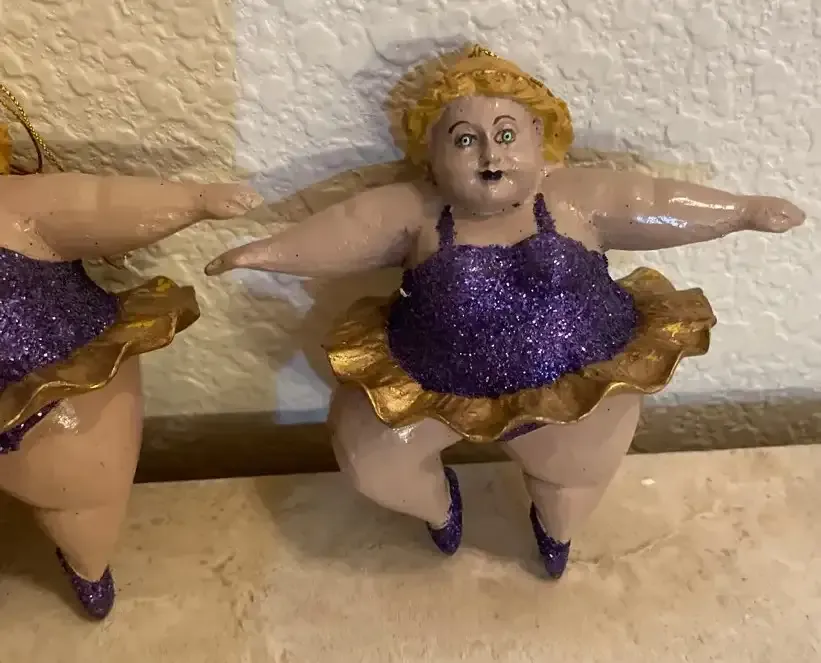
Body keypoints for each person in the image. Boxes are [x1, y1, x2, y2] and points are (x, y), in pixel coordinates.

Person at [205, 44, 805, 579]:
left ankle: (555, 528)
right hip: (433, 381)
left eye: (507, 134)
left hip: (577, 378)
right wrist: (260, 253)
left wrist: (742, 211)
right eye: (465, 140)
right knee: (371, 460)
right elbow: (346, 231)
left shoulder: (571, 195)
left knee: (572, 480)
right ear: (433, 156)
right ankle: (439, 508)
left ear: (541, 140)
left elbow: (651, 200)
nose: (490, 154)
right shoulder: (415, 210)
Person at [0, 168, 262, 619]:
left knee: (81, 488)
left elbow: (93, 201)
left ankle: (88, 564)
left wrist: (194, 200)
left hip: (52, 395)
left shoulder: (11, 205)